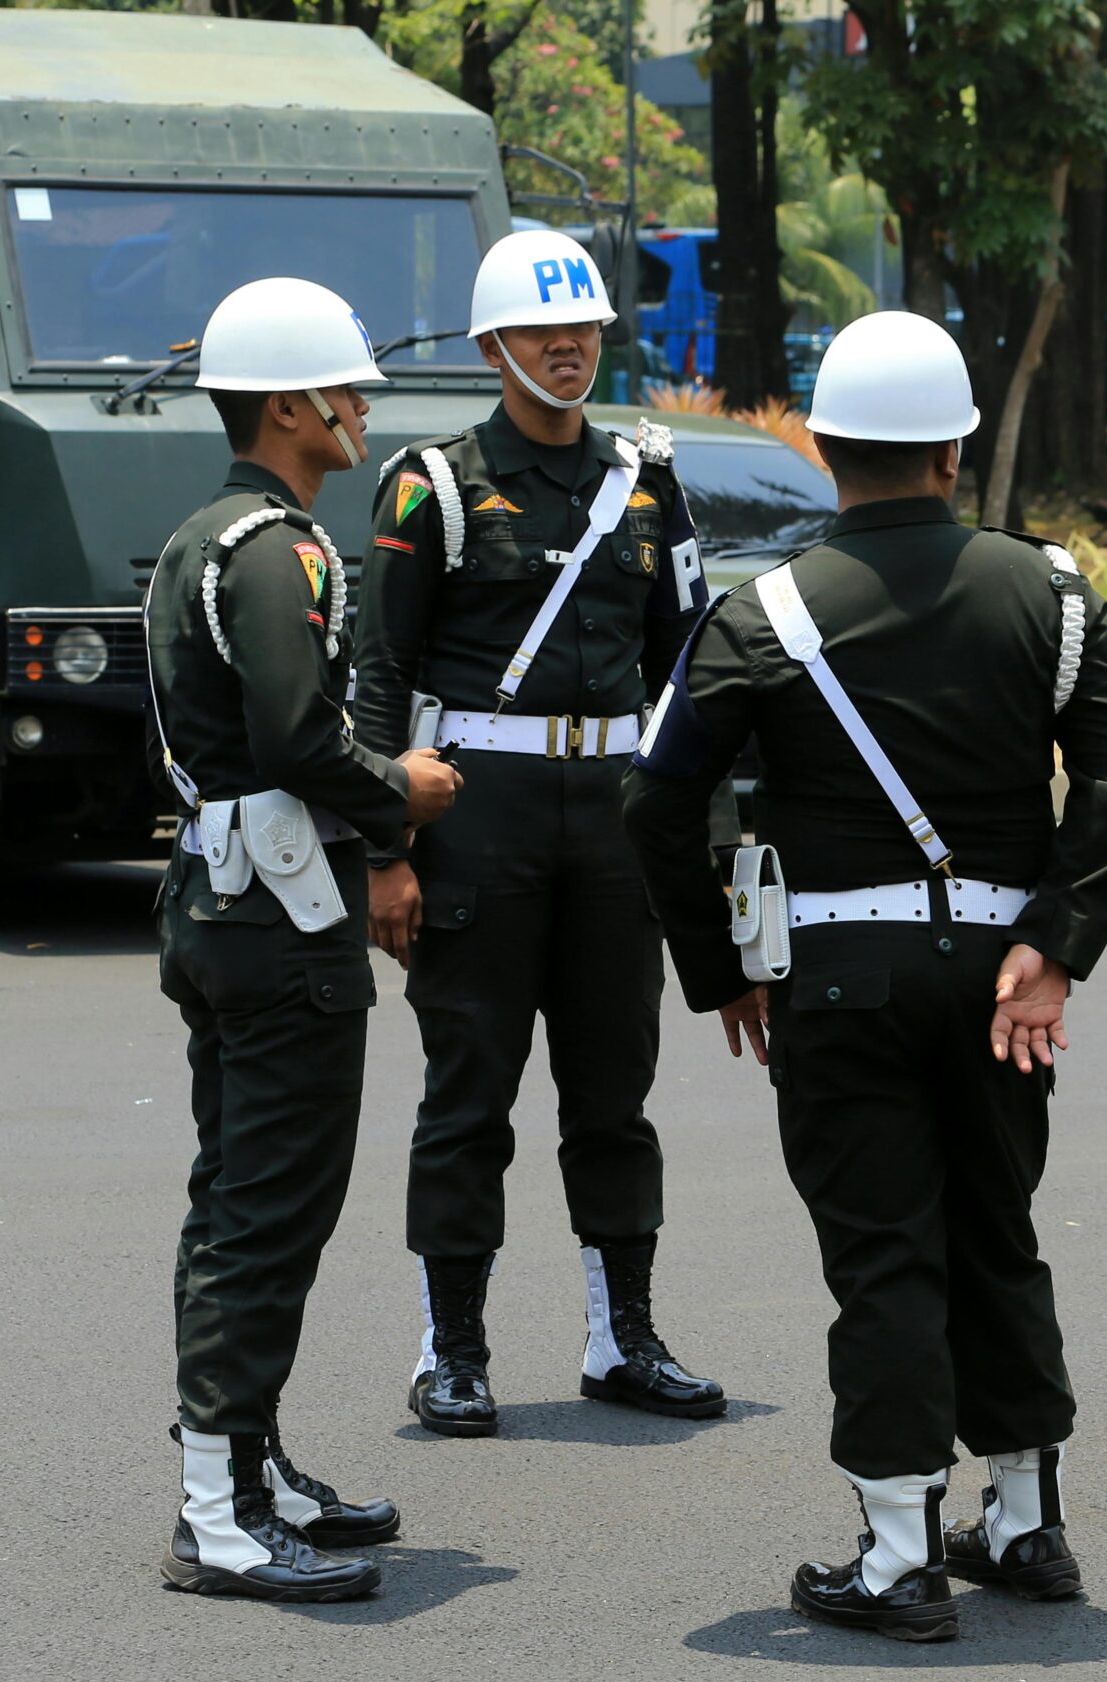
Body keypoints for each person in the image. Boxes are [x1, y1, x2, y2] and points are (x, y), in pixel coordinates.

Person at [621, 311, 1107, 1641]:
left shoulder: (766, 609)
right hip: (997, 978)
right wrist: (1057, 945)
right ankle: (1027, 1522)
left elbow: (657, 800)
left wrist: (727, 968)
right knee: (997, 1233)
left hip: (838, 982)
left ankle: (899, 1551)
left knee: (883, 1253)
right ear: (957, 446)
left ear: (826, 443)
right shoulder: (1055, 592)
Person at [353, 230, 725, 1438]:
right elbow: (379, 674)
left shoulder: (646, 480)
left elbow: (688, 665)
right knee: (469, 1094)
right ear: (492, 346)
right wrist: (384, 850)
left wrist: (708, 835)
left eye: (582, 333)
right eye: (540, 334)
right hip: (480, 816)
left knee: (616, 1091)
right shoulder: (436, 484)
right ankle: (448, 1350)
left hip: (614, 815)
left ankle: (623, 1340)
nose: (566, 350)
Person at [147, 277, 464, 1599]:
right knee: (267, 1210)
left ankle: (251, 1468)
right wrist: (403, 789)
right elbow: (294, 732)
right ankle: (218, 1511)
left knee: (240, 1198)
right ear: (293, 404)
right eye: (347, 385)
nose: (364, 404)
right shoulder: (284, 549)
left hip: (226, 896)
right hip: (283, 911)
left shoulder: (202, 537)